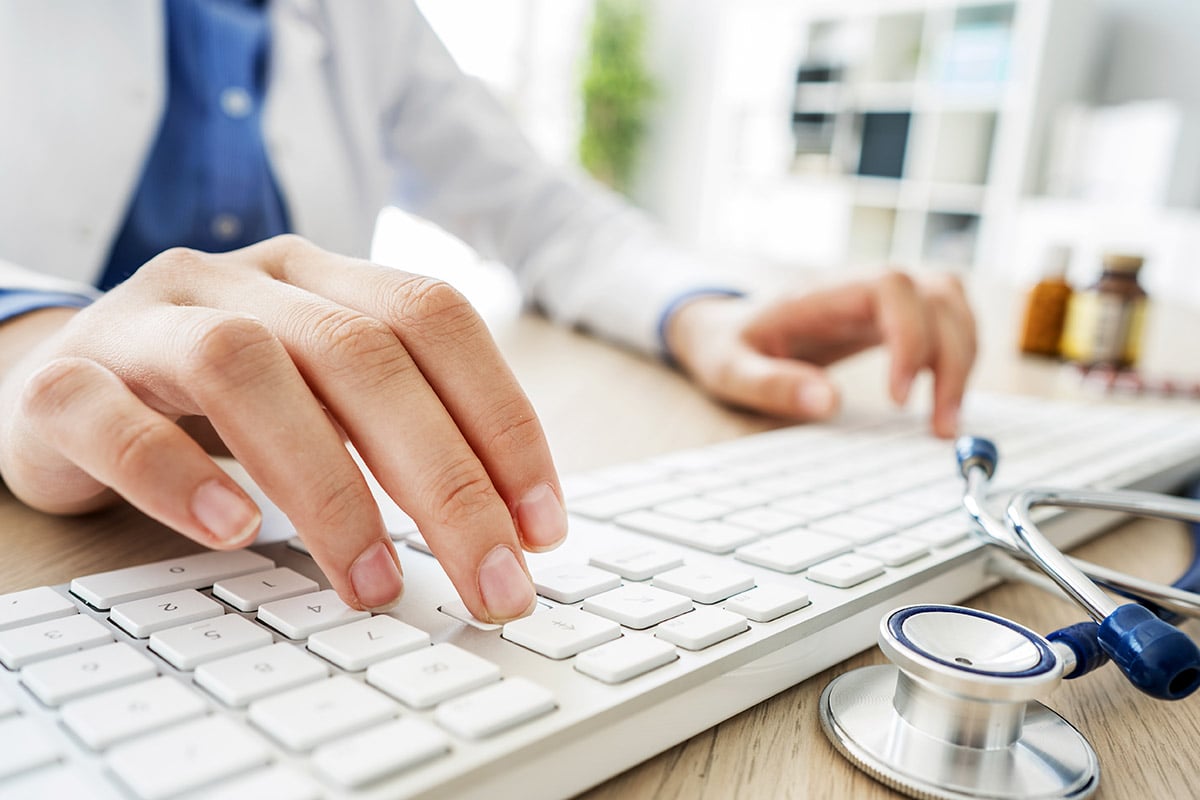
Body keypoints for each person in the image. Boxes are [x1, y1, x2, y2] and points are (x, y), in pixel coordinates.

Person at [0, 1, 975, 624]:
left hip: (285, 512)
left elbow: (542, 210)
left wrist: (701, 311)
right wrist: (29, 342)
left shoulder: (364, 19)